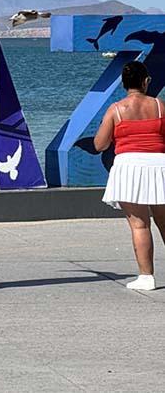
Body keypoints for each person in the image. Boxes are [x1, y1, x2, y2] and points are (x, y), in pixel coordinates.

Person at [96, 61, 164, 291]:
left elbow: (99, 144)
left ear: (124, 84)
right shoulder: (159, 105)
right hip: (160, 165)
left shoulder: (116, 109)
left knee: (139, 225)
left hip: (130, 166)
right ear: (146, 82)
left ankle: (146, 277)